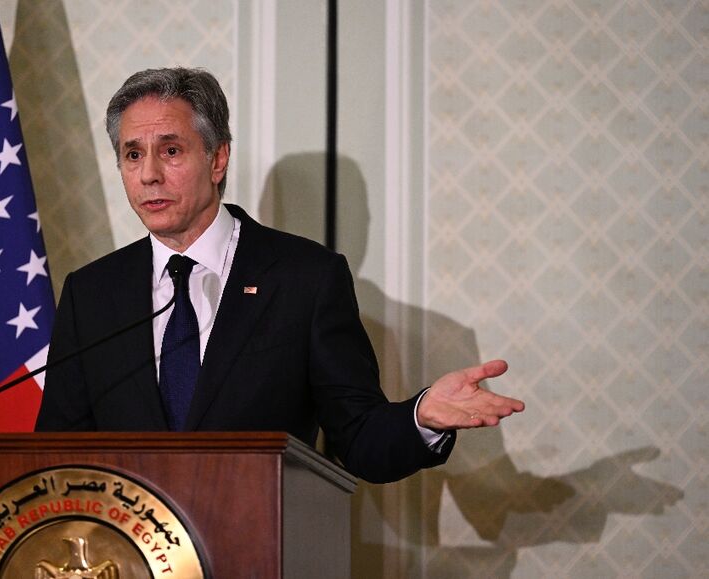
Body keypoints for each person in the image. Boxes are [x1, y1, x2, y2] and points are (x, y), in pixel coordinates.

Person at [35, 67, 524, 483]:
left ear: (217, 157)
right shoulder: (92, 293)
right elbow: (56, 455)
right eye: (132, 154)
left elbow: (359, 439)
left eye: (171, 150)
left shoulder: (305, 279)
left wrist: (420, 418)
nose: (148, 176)